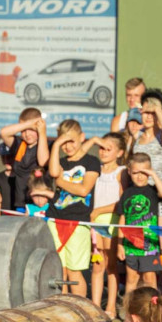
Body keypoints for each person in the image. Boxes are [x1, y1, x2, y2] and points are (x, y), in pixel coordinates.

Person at [132, 90, 162, 302]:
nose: (148, 115)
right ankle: (148, 305)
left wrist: (157, 108)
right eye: (145, 110)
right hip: (141, 204)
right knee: (144, 259)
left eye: (153, 111)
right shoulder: (137, 139)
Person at [48, 119, 101, 297]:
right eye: (64, 143)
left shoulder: (91, 162)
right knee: (59, 270)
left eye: (71, 141)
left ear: (81, 137)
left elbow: (84, 189)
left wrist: (61, 182)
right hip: (55, 219)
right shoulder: (60, 161)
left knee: (74, 271)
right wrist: (56, 145)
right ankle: (62, 307)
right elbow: (54, 172)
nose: (68, 146)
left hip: (78, 222)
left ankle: (78, 307)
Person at [116, 153, 162, 322]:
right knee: (131, 279)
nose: (140, 176)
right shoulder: (127, 193)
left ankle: (152, 313)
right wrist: (119, 244)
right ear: (129, 171)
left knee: (149, 279)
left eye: (144, 172)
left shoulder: (152, 191)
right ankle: (129, 315)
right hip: (130, 244)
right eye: (136, 172)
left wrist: (152, 174)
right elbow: (122, 219)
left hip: (149, 245)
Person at [87, 132, 127, 318]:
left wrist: (99, 211)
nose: (102, 152)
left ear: (119, 153)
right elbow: (81, 152)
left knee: (111, 266)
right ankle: (95, 305)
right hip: (95, 222)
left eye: (108, 149)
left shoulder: (121, 173)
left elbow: (122, 202)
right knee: (97, 266)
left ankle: (110, 306)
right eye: (101, 148)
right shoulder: (94, 169)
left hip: (110, 221)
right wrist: (94, 139)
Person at [0, 108, 50, 209]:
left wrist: (42, 132)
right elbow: (4, 133)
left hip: (39, 204)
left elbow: (43, 161)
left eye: (31, 130)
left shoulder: (47, 145)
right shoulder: (19, 144)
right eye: (23, 130)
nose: (27, 134)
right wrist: (30, 124)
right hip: (20, 204)